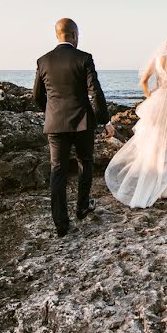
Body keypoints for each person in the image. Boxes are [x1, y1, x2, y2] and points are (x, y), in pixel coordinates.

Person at [33, 18, 114, 237]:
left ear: (57, 35)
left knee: (57, 170)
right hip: (82, 122)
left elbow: (37, 96)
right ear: (75, 35)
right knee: (84, 163)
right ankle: (82, 207)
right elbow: (95, 91)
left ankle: (61, 224)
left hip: (55, 124)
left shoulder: (43, 61)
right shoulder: (84, 58)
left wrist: (51, 112)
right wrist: (105, 121)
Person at [105, 34, 167, 208]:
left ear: (166, 46)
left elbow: (144, 80)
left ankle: (157, 181)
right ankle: (165, 186)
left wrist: (150, 97)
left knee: (156, 143)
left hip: (157, 102)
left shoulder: (157, 60)